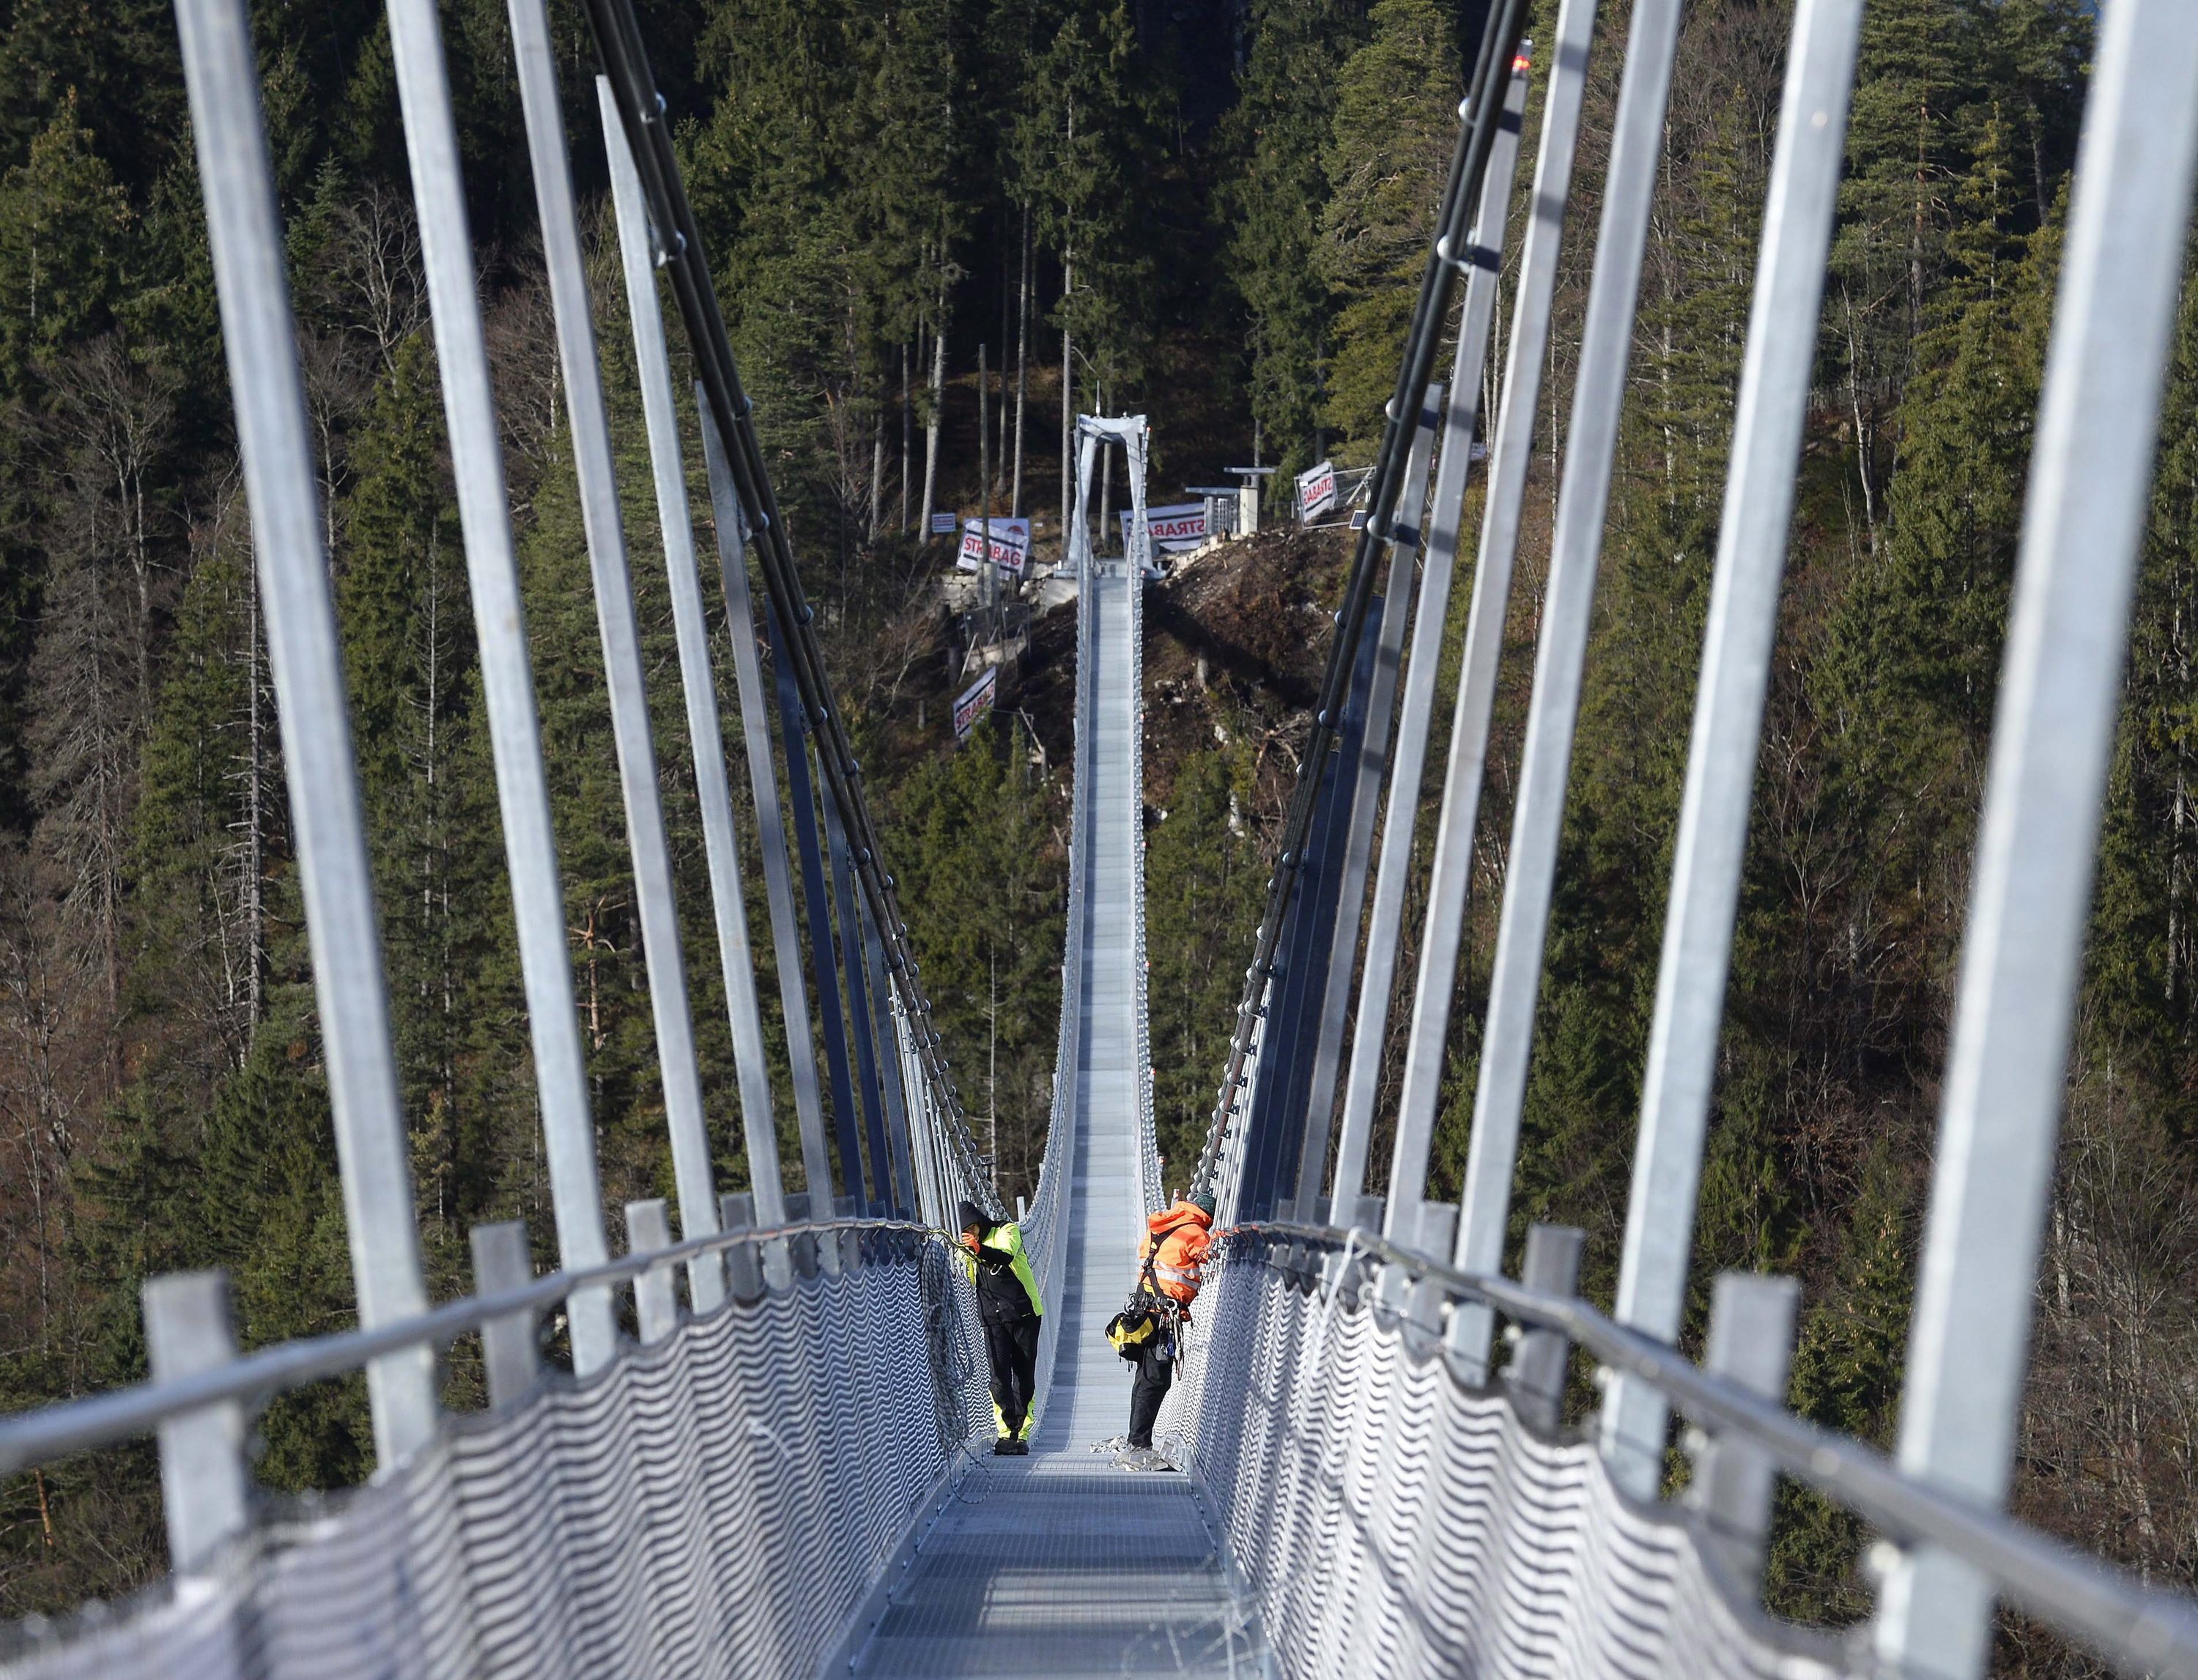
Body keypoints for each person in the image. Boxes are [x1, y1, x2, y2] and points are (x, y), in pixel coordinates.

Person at [1117, 1191, 1215, 1472]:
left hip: (1143, 1309)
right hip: (1164, 1317)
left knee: (1144, 1377)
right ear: (1206, 1214)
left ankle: (1135, 1442)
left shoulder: (1161, 1225)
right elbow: (1211, 1254)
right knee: (1156, 1380)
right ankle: (1139, 1447)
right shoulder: (1196, 1231)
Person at [958, 1199, 1044, 1454]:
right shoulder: (965, 1248)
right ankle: (1006, 1434)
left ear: (980, 1222)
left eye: (973, 1227)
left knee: (1024, 1375)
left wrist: (978, 1250)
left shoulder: (1007, 1230)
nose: (971, 1234)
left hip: (1024, 1313)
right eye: (966, 1231)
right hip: (992, 1318)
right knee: (998, 1376)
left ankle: (1022, 1434)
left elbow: (1006, 1255)